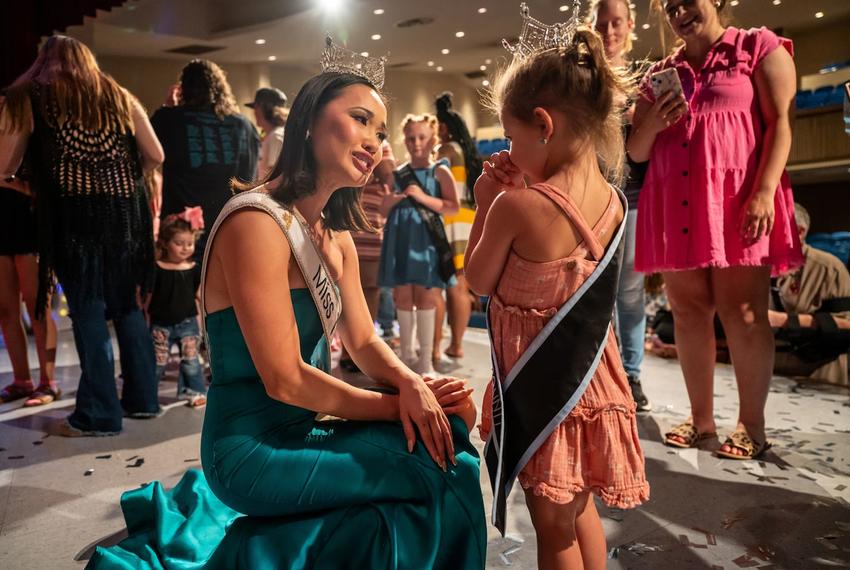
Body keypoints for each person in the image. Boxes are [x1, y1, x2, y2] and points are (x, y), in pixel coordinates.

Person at [88, 51, 486, 569]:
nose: (374, 141)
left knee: (449, 435)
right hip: (251, 450)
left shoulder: (336, 235)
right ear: (307, 122)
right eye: (360, 119)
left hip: (307, 427)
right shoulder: (256, 223)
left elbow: (363, 343)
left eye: (381, 130)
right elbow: (285, 382)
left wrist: (413, 386)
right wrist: (396, 406)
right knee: (441, 467)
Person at [466, 14, 649, 569]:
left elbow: (477, 279)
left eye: (511, 135)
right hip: (593, 382)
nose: (509, 148)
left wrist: (483, 204)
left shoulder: (516, 206)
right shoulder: (615, 200)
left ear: (543, 125)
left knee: (552, 528)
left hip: (545, 391)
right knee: (579, 511)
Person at [629, 0, 802, 459]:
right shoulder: (662, 73)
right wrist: (654, 120)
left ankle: (751, 424)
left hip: (738, 198)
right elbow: (638, 151)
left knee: (744, 314)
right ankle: (701, 419)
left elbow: (782, 123)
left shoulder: (756, 47)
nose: (680, 12)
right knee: (687, 313)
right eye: (670, 7)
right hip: (675, 200)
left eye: (688, 0)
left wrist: (765, 190)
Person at [0, 35, 164, 435]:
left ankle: (99, 414)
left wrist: (36, 187)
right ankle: (143, 401)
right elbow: (156, 155)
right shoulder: (118, 94)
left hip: (72, 217)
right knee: (126, 307)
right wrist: (119, 177)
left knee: (88, 309)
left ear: (42, 62)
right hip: (126, 216)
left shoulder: (27, 96)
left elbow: (5, 165)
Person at [591, 0, 652, 413]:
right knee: (597, 291)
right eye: (602, 23)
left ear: (630, 25)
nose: (610, 30)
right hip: (593, 199)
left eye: (617, 22)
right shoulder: (584, 79)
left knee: (629, 292)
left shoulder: (645, 79)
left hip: (632, 198)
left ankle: (630, 372)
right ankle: (603, 372)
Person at [151, 59, 259, 257]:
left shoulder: (167, 119)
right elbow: (249, 182)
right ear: (220, 88)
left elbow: (146, 154)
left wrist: (167, 108)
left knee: (180, 286)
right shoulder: (243, 126)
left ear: (184, 88)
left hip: (182, 232)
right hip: (228, 227)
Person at [378, 114, 459, 375]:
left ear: (432, 138)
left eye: (422, 137)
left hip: (426, 240)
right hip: (400, 238)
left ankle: (426, 362)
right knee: (401, 296)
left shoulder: (440, 171)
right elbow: (383, 208)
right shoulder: (398, 173)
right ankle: (406, 357)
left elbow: (452, 207)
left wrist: (422, 197)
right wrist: (391, 202)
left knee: (426, 298)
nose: (416, 143)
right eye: (411, 138)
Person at [771, 203, 850, 385]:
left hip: (818, 378)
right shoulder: (755, 268)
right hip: (767, 375)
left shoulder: (829, 269)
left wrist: (782, 321)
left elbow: (847, 324)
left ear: (800, 231)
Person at [0, 169, 58, 407]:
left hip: (30, 219)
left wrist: (7, 180)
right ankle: (21, 380)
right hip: (2, 218)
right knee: (5, 310)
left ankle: (48, 382)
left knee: (37, 307)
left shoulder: (29, 133)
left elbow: (46, 187)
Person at [432, 91, 482, 362]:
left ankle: (444, 344)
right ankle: (458, 344)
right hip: (467, 218)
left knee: (449, 285)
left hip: (449, 219)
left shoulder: (445, 151)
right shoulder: (466, 151)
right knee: (461, 285)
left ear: (442, 127)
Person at [339, 140, 395, 373]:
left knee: (370, 290)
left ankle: (359, 351)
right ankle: (345, 350)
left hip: (372, 228)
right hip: (344, 227)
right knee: (342, 291)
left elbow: (389, 179)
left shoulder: (383, 147)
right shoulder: (349, 141)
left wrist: (380, 150)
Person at [147, 209, 207, 407]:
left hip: (188, 323)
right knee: (157, 362)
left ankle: (195, 391)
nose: (185, 248)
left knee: (191, 361)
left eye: (189, 244)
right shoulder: (157, 268)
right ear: (165, 243)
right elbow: (148, 298)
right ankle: (148, 395)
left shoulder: (193, 269)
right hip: (161, 325)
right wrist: (145, 317)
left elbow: (198, 294)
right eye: (178, 243)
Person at [245, 87, 287, 179]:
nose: (254, 112)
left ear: (263, 108)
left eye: (256, 107)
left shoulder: (276, 136)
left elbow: (275, 177)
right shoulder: (271, 135)